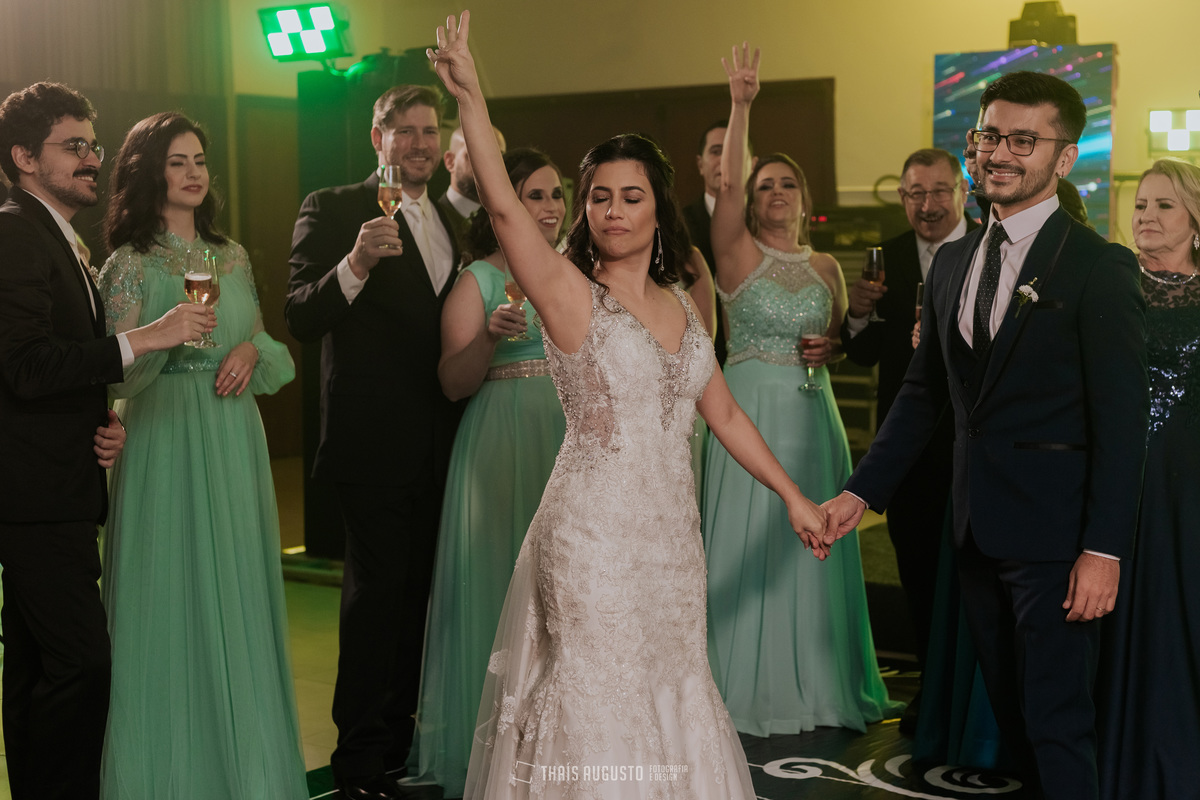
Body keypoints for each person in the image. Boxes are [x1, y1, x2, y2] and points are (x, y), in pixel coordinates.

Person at [429, 14, 827, 798]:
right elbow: (505, 211)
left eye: (631, 196)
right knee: (598, 698)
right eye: (599, 197)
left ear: (656, 208)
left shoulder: (682, 303)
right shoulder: (569, 294)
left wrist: (794, 497)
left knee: (673, 686)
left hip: (672, 540)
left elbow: (725, 415)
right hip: (591, 538)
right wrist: (471, 97)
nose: (613, 210)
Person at [823, 70, 1148, 800]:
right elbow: (923, 395)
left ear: (1064, 158)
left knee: (1060, 720)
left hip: (1059, 541)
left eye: (1023, 140)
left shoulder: (1098, 266)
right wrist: (859, 493)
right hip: (973, 532)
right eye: (989, 135)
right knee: (1015, 716)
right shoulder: (954, 263)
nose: (999, 153)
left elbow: (1123, 423)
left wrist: (1104, 551)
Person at [0, 82, 213, 800]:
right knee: (82, 664)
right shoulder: (14, 230)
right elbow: (24, 365)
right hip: (33, 493)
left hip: (59, 481)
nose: (93, 159)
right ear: (24, 157)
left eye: (93, 145)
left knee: (37, 665)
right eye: (74, 147)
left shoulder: (60, 237)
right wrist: (145, 338)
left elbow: (53, 369)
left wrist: (104, 418)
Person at [96, 112, 304, 799]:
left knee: (239, 591)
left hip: (233, 433)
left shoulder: (232, 254)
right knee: (166, 595)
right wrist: (167, 339)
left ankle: (245, 771)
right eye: (177, 161)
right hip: (164, 435)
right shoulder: (129, 264)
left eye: (200, 161)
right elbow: (111, 373)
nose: (193, 173)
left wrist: (247, 348)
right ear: (148, 171)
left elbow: (264, 339)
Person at [702, 43, 900, 738]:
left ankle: (817, 684)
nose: (776, 193)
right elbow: (727, 187)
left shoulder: (825, 266)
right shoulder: (735, 253)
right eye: (765, 185)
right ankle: (742, 685)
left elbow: (840, 339)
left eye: (787, 184)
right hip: (749, 413)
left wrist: (839, 342)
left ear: (804, 197)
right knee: (749, 544)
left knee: (815, 544)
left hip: (815, 416)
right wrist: (742, 104)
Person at [285, 83, 462, 800]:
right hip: (372, 443)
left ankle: (399, 747)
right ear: (377, 138)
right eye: (405, 131)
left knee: (421, 599)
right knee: (376, 602)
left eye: (430, 131)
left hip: (445, 440)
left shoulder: (453, 218)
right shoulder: (332, 208)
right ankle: (359, 764)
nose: (419, 143)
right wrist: (355, 264)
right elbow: (300, 316)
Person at [405, 147, 568, 797]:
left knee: (565, 589)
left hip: (570, 438)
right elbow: (452, 382)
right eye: (535, 195)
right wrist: (491, 337)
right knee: (503, 585)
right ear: (504, 203)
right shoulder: (477, 280)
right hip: (502, 438)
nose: (550, 207)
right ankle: (497, 750)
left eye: (557, 194)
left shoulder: (579, 271)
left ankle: (563, 743)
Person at [841, 147, 975, 733]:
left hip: (974, 443)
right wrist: (858, 315)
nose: (928, 204)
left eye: (940, 190)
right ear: (902, 198)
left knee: (976, 574)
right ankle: (931, 690)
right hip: (909, 449)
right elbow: (863, 353)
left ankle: (977, 697)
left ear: (962, 192)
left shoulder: (989, 250)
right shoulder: (888, 258)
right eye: (916, 193)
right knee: (917, 570)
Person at [1095, 157, 1200, 800]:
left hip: (1187, 490)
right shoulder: (1109, 282)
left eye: (1164, 205)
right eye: (1140, 205)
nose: (1147, 217)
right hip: (1114, 477)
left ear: (1195, 219)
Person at [682, 119, 740, 365]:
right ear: (700, 164)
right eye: (717, 151)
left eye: (733, 151)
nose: (725, 160)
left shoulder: (765, 225)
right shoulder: (678, 226)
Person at [438, 124, 507, 241]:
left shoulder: (507, 223)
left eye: (498, 157)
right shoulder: (432, 220)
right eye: (475, 154)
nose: (488, 164)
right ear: (450, 161)